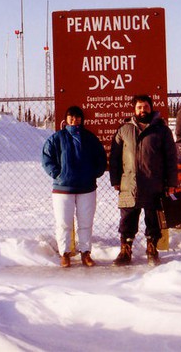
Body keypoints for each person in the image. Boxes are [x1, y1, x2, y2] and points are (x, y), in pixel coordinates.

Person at [109, 94, 178, 266]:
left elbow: (171, 158)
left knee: (153, 219)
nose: (142, 110)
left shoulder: (162, 130)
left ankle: (151, 248)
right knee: (127, 220)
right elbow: (115, 157)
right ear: (134, 109)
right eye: (139, 107)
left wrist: (171, 183)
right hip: (129, 184)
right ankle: (126, 249)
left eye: (145, 107)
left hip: (153, 184)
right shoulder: (124, 129)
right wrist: (115, 179)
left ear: (151, 107)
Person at [42, 106, 107, 268]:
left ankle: (85, 253)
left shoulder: (90, 138)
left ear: (82, 119)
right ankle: (65, 253)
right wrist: (57, 174)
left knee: (85, 222)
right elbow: (46, 158)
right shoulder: (57, 138)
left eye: (78, 117)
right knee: (64, 222)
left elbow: (101, 157)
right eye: (71, 117)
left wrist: (95, 173)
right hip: (63, 189)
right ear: (66, 119)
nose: (75, 120)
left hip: (87, 188)